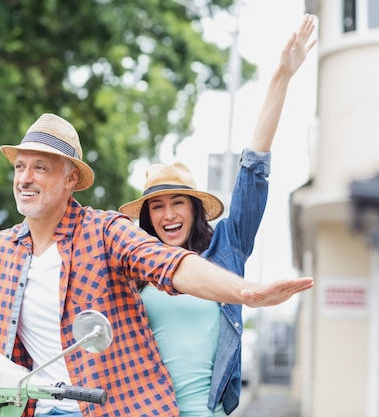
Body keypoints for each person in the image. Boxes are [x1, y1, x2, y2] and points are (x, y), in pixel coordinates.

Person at [0, 112, 313, 417]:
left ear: (70, 180)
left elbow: (169, 266)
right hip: (37, 408)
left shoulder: (106, 232)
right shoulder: (0, 252)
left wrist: (241, 292)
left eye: (40, 167)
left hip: (121, 406)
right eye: (20, 167)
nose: (25, 177)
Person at [117, 14, 317, 417]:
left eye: (177, 203)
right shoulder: (135, 265)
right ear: (147, 217)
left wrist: (281, 75)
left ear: (194, 210)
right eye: (157, 206)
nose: (168, 215)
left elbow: (253, 170)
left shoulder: (227, 248)